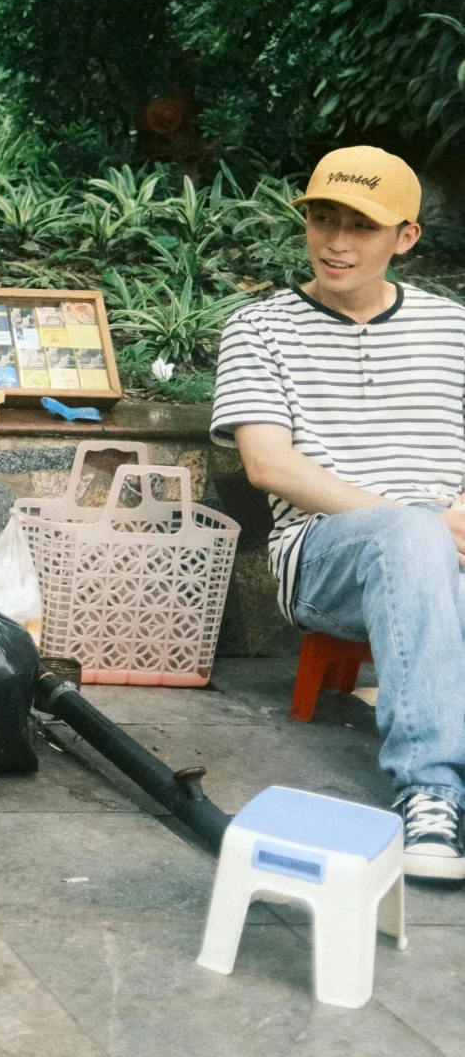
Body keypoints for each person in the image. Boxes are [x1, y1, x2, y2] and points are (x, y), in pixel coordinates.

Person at [215, 146, 465, 877]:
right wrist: (422, 520)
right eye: (324, 219)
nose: (336, 242)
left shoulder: (455, 331)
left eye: (361, 225)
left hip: (445, 539)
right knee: (410, 534)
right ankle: (432, 789)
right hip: (322, 555)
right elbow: (270, 465)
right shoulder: (259, 328)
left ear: (406, 237)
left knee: (428, 548)